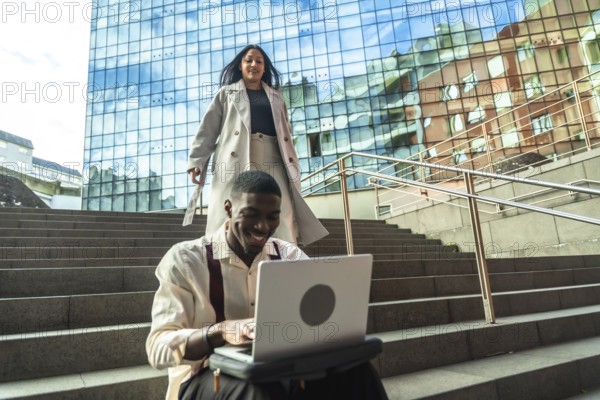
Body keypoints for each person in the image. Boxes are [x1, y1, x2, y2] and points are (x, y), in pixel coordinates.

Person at [147, 171, 388, 400]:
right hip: (205, 377)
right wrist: (221, 331)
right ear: (228, 208)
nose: (263, 226)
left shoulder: (289, 256)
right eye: (251, 214)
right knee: (260, 391)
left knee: (358, 373)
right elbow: (157, 348)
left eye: (272, 216)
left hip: (281, 369)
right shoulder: (185, 259)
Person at [186, 44, 328, 246]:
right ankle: (225, 256)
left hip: (273, 156)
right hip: (237, 156)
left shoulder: (277, 97)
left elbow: (286, 134)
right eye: (249, 60)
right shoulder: (226, 94)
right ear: (240, 66)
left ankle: (283, 256)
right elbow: (207, 130)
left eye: (259, 61)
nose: (254, 64)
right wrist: (196, 161)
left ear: (265, 68)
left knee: (281, 206)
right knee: (235, 207)